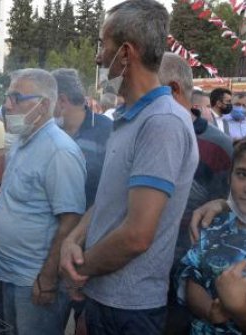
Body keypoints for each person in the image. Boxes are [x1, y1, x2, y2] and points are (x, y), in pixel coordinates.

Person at [60, 1, 199, 334]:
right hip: (103, 298)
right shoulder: (130, 117)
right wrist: (73, 239)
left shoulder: (162, 122)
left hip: (129, 308)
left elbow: (137, 236)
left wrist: (82, 269)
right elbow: (111, 197)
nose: (98, 57)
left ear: (125, 53)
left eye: (102, 46)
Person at [0, 69, 87, 335]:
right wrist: (0, 195)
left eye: (16, 97)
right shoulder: (22, 140)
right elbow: (29, 189)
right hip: (10, 272)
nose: (7, 105)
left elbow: (71, 220)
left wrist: (48, 277)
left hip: (34, 278)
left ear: (43, 105)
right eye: (8, 97)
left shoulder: (60, 151)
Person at [178, 131, 246, 334]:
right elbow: (192, 277)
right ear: (230, 176)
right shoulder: (212, 224)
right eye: (243, 174)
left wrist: (238, 309)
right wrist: (210, 310)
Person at [158, 52, 234, 334]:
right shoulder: (143, 132)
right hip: (144, 263)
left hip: (193, 264)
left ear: (174, 91)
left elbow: (232, 205)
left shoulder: (220, 146)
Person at [52, 68, 112, 209]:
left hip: (89, 223)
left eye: (48, 100)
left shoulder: (106, 130)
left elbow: (111, 187)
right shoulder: (50, 131)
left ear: (61, 100)